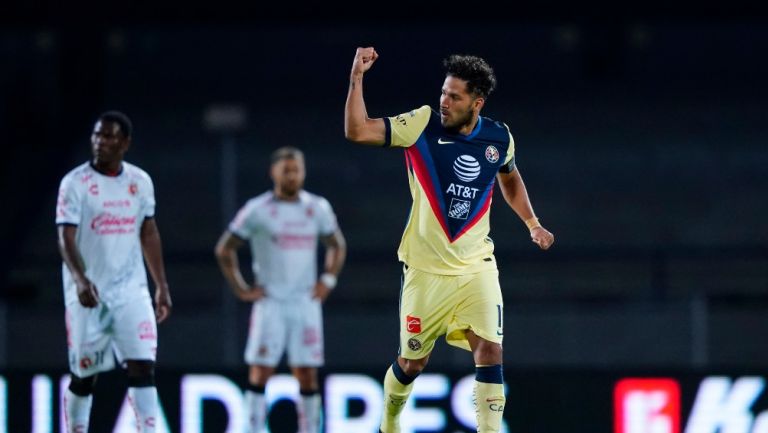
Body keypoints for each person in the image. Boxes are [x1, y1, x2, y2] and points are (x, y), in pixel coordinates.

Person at [344, 47, 555, 433]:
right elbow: (357, 130)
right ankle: (388, 423)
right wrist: (357, 78)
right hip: (426, 272)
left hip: (476, 267)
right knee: (412, 365)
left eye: (454, 96)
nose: (444, 101)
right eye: (443, 92)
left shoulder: (498, 137)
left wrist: (532, 223)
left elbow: (509, 176)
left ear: (477, 102)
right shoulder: (421, 124)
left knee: (490, 351)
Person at [214, 146, 346, 433]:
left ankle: (310, 429)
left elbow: (337, 245)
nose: (292, 175)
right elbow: (225, 249)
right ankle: (253, 428)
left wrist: (328, 280)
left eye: (296, 169)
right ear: (274, 172)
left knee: (307, 373)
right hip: (270, 302)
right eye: (286, 170)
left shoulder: (316, 207)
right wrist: (241, 289)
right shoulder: (258, 209)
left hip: (305, 302)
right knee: (261, 370)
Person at [56, 111, 172, 433]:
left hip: (131, 291)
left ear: (125, 143)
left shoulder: (140, 182)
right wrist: (80, 279)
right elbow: (65, 238)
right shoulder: (75, 184)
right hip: (88, 294)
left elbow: (149, 232)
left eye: (108, 136)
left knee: (142, 366)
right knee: (84, 375)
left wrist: (160, 284)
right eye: (97, 135)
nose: (100, 142)